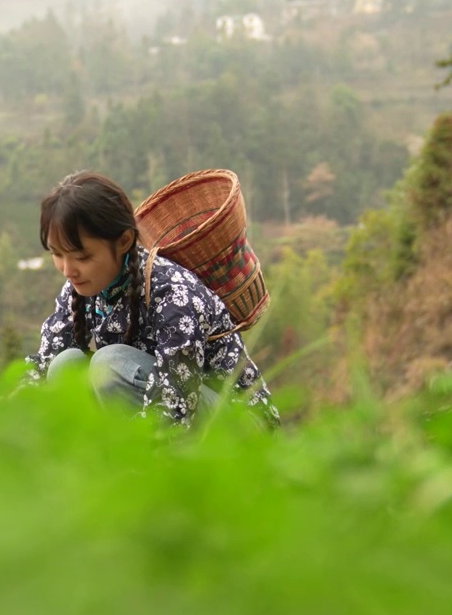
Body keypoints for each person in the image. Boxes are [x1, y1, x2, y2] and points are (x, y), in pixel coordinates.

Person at [25, 171, 280, 428]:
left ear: (124, 241)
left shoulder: (174, 294)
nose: (68, 270)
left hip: (240, 423)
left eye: (82, 257)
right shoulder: (79, 290)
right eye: (57, 255)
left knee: (109, 365)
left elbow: (178, 405)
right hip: (168, 406)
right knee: (64, 366)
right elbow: (42, 365)